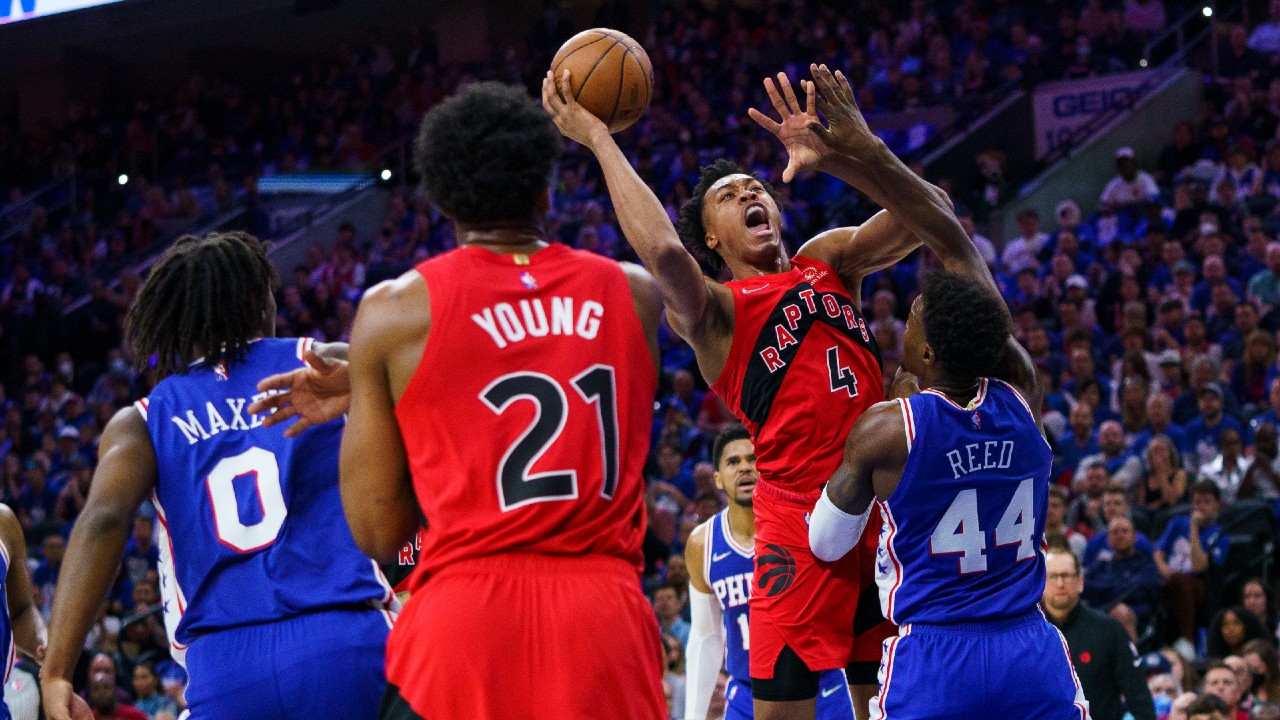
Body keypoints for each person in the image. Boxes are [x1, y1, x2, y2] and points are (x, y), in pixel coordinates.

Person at [255, 83, 667, 719]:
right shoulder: (633, 293)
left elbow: (377, 530)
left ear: (441, 200)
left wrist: (382, 397)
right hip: (601, 614)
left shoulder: (395, 313)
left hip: (464, 618)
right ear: (546, 191)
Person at [543, 63, 936, 720]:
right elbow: (666, 257)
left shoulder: (830, 260)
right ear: (711, 236)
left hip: (884, 510)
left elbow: (926, 214)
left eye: (756, 187)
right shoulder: (716, 311)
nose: (749, 192)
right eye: (728, 196)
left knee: (896, 707)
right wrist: (599, 138)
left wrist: (849, 154)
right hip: (798, 526)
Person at [40, 232, 394, 720]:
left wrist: (58, 669)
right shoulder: (322, 362)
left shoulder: (143, 418)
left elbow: (103, 518)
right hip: (342, 639)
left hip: (226, 670)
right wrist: (363, 380)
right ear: (256, 299)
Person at [805, 107, 1085, 715]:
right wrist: (867, 153)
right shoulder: (1021, 392)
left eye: (911, 318)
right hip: (1027, 650)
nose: (903, 319)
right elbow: (956, 245)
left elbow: (825, 544)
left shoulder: (886, 430)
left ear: (926, 351)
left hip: (934, 657)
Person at [684, 425, 854, 720]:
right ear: (718, 479)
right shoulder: (703, 543)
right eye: (733, 462)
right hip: (745, 694)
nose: (745, 468)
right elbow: (705, 636)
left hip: (819, 686)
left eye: (753, 459)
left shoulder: (808, 522)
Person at [1043, 550, 1157, 720]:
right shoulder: (1028, 636)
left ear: (1080, 582)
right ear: (1041, 582)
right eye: (1052, 576)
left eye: (1066, 576)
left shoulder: (1108, 630)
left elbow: (1141, 702)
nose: (1060, 583)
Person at [1154, 480, 1231, 659]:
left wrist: (1193, 529)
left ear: (1217, 504)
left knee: (1180, 581)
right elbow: (1158, 553)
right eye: (1196, 502)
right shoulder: (1176, 523)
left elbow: (1200, 566)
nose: (1200, 507)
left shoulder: (1220, 534)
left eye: (1206, 502)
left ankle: (1187, 641)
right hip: (1169, 579)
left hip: (1201, 586)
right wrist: (1165, 570)